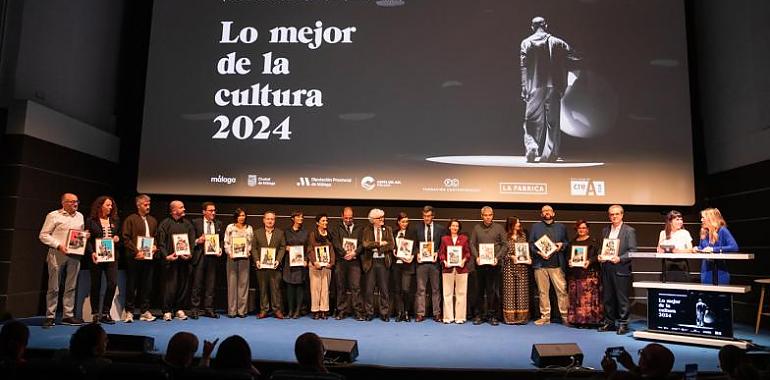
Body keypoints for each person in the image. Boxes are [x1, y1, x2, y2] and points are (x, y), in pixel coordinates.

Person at [520, 16, 579, 163]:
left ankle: (532, 146)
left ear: (532, 27)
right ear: (546, 25)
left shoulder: (526, 43)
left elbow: (524, 66)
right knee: (553, 121)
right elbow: (575, 57)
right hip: (554, 84)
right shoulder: (558, 42)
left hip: (534, 85)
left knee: (532, 119)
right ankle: (551, 154)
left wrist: (524, 86)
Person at [38, 193, 86, 328]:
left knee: (71, 286)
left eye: (77, 201)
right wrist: (58, 245)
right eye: (72, 202)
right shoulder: (53, 215)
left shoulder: (80, 216)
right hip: (57, 254)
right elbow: (43, 235)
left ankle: (67, 315)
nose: (75, 204)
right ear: (63, 203)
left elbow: (78, 235)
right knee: (54, 287)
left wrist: (84, 236)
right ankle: (50, 316)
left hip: (75, 255)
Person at [529, 205, 570, 326]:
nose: (547, 212)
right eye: (544, 211)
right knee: (543, 292)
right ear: (541, 214)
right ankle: (545, 316)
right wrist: (539, 252)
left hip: (557, 264)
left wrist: (561, 245)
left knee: (562, 291)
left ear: (553, 213)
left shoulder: (561, 227)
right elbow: (531, 244)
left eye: (549, 210)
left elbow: (567, 242)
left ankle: (565, 316)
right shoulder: (536, 227)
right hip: (540, 265)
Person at [599, 205, 637, 335]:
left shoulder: (629, 231)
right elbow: (602, 248)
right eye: (611, 214)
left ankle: (623, 324)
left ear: (622, 215)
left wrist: (620, 258)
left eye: (616, 214)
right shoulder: (605, 230)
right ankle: (609, 323)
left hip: (621, 268)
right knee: (608, 298)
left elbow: (632, 251)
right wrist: (601, 256)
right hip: (607, 268)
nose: (614, 217)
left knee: (622, 299)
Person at [121, 194, 158, 322]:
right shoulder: (130, 219)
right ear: (138, 205)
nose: (148, 207)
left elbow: (155, 237)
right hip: (134, 258)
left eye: (149, 204)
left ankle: (144, 311)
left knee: (147, 286)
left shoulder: (152, 220)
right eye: (145, 205)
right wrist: (136, 252)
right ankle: (129, 312)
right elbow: (125, 238)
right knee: (132, 285)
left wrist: (154, 246)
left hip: (148, 258)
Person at [157, 200, 196, 321]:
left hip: (184, 261)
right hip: (170, 261)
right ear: (174, 210)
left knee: (183, 285)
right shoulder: (165, 224)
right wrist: (166, 256)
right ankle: (167, 310)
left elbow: (191, 241)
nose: (184, 209)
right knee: (169, 286)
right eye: (181, 207)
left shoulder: (188, 224)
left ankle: (179, 309)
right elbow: (161, 242)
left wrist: (190, 254)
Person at [85, 196, 121, 324]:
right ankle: (95, 313)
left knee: (112, 283)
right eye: (108, 205)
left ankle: (106, 312)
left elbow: (119, 235)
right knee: (96, 284)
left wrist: (117, 238)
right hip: (97, 257)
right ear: (100, 206)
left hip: (111, 257)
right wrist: (92, 252)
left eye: (111, 205)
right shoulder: (91, 220)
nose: (110, 207)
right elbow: (87, 239)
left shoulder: (115, 220)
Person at [469, 206, 507, 326]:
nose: (488, 217)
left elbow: (505, 245)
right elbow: (472, 244)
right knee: (479, 291)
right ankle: (478, 315)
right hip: (480, 265)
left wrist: (497, 257)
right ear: (481, 216)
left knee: (493, 291)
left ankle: (493, 316)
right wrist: (477, 257)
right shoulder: (476, 228)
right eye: (485, 215)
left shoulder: (499, 228)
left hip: (494, 264)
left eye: (490, 215)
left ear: (492, 215)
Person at [191, 202, 224, 319]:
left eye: (214, 210)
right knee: (197, 284)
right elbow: (190, 239)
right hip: (200, 256)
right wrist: (197, 241)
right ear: (204, 212)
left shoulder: (218, 223)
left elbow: (220, 240)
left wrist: (220, 248)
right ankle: (195, 310)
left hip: (213, 258)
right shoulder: (195, 223)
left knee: (211, 285)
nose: (213, 213)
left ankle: (209, 309)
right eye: (210, 210)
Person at [567, 220, 603, 326]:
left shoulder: (594, 242)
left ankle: (591, 320)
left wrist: (590, 261)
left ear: (588, 229)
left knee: (588, 298)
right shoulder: (572, 242)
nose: (581, 230)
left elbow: (599, 256)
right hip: (576, 274)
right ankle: (577, 320)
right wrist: (569, 261)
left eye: (584, 228)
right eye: (579, 228)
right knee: (576, 297)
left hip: (590, 274)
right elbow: (568, 257)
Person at [331, 207, 364, 321]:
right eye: (346, 218)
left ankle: (358, 312)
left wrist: (355, 252)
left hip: (355, 261)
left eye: (350, 218)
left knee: (356, 287)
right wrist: (345, 253)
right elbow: (335, 243)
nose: (348, 220)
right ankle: (341, 311)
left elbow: (362, 244)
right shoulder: (336, 228)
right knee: (341, 287)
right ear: (342, 216)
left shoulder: (359, 228)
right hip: (341, 261)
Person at [362, 208, 395, 321]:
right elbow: (366, 244)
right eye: (379, 218)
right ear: (373, 220)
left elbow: (391, 245)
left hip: (383, 262)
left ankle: (384, 312)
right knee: (369, 290)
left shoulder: (388, 229)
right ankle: (369, 312)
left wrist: (377, 249)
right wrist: (380, 243)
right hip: (370, 263)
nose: (382, 219)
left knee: (384, 289)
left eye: (382, 217)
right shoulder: (367, 230)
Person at [414, 206, 446, 323]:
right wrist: (417, 253)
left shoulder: (440, 229)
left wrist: (437, 253)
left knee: (436, 289)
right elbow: (414, 245)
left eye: (428, 216)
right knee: (420, 289)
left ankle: (437, 313)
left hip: (434, 263)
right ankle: (420, 313)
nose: (426, 218)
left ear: (433, 216)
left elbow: (443, 246)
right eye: (424, 216)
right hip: (421, 264)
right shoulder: (417, 228)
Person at [252, 211, 287, 319]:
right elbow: (253, 248)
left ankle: (277, 310)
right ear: (264, 220)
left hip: (274, 267)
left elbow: (282, 247)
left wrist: (278, 260)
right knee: (263, 289)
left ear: (274, 220)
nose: (270, 221)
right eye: (268, 219)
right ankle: (264, 310)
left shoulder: (280, 233)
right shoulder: (257, 233)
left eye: (272, 219)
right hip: (261, 267)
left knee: (275, 289)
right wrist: (257, 260)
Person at [436, 219, 472, 324]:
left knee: (461, 293)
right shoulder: (444, 239)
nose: (455, 227)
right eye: (453, 226)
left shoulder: (464, 239)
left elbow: (468, 253)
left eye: (457, 226)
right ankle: (448, 317)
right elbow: (441, 253)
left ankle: (460, 317)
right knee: (447, 293)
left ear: (459, 228)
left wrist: (463, 260)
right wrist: (444, 261)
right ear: (449, 227)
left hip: (461, 269)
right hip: (448, 269)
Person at [695, 208, 739, 285]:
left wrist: (713, 249)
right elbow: (702, 248)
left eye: (703, 218)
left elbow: (734, 247)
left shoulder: (722, 230)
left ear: (710, 219)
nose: (701, 220)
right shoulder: (704, 232)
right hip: (706, 271)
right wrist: (697, 249)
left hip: (720, 271)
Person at [224, 208, 253, 318]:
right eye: (240, 215)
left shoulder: (249, 228)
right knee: (232, 284)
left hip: (245, 258)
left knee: (243, 284)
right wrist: (229, 252)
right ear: (236, 216)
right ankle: (232, 311)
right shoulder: (230, 227)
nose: (242, 217)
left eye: (244, 215)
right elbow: (226, 242)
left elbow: (251, 243)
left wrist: (248, 251)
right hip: (232, 258)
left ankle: (242, 311)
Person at [501, 216, 530, 324]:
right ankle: (510, 318)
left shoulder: (523, 235)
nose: (519, 224)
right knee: (510, 292)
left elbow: (525, 250)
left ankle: (521, 318)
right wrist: (510, 256)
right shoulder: (505, 236)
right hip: (509, 267)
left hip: (522, 267)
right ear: (511, 224)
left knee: (522, 292)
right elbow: (502, 252)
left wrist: (528, 258)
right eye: (517, 222)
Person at [307, 214, 336, 319]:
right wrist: (315, 262)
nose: (325, 223)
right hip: (315, 266)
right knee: (315, 289)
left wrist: (331, 263)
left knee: (325, 289)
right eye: (323, 221)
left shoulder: (329, 235)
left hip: (326, 266)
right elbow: (310, 249)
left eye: (326, 220)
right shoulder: (313, 234)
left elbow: (332, 250)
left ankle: (324, 310)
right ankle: (315, 310)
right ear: (317, 223)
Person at [284, 210, 309, 319]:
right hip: (289, 263)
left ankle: (298, 310)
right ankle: (290, 310)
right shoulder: (286, 232)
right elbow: (281, 245)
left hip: (300, 263)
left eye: (302, 217)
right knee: (289, 287)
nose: (301, 219)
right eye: (298, 217)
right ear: (293, 218)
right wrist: (286, 247)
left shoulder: (305, 232)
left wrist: (306, 260)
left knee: (299, 286)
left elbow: (308, 248)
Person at [601, 343, 675, 380]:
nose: (640, 355)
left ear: (644, 364)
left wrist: (611, 373)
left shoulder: (622, 377)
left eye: (642, 353)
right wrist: (631, 366)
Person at [656, 210, 694, 282]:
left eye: (681, 219)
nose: (680, 222)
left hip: (681, 264)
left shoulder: (685, 233)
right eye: (677, 220)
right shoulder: (663, 233)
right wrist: (661, 250)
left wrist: (678, 251)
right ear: (670, 221)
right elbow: (659, 248)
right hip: (667, 264)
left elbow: (690, 249)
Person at [391, 212, 415, 322]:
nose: (405, 224)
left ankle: (406, 312)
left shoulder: (412, 233)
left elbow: (416, 247)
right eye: (403, 222)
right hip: (396, 265)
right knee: (397, 290)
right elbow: (391, 247)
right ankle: (399, 312)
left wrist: (412, 257)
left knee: (406, 289)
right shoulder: (394, 233)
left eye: (406, 221)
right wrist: (394, 253)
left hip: (408, 265)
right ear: (398, 222)